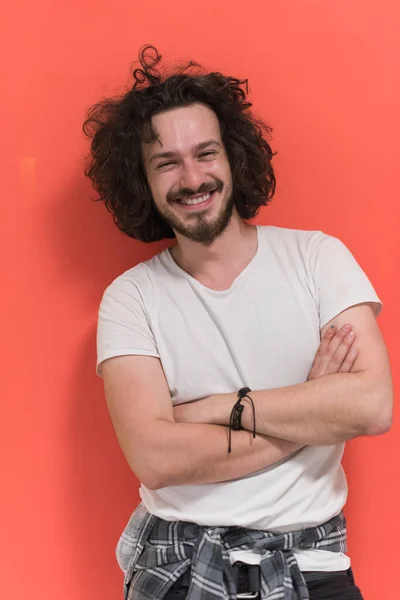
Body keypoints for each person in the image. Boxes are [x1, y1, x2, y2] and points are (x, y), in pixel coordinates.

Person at [83, 46, 393, 600]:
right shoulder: (130, 298)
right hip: (178, 564)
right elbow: (155, 459)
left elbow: (371, 406)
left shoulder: (319, 258)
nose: (192, 177)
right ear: (144, 182)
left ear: (234, 158)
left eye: (206, 153)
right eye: (166, 162)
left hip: (313, 563)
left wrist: (217, 410)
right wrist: (311, 407)